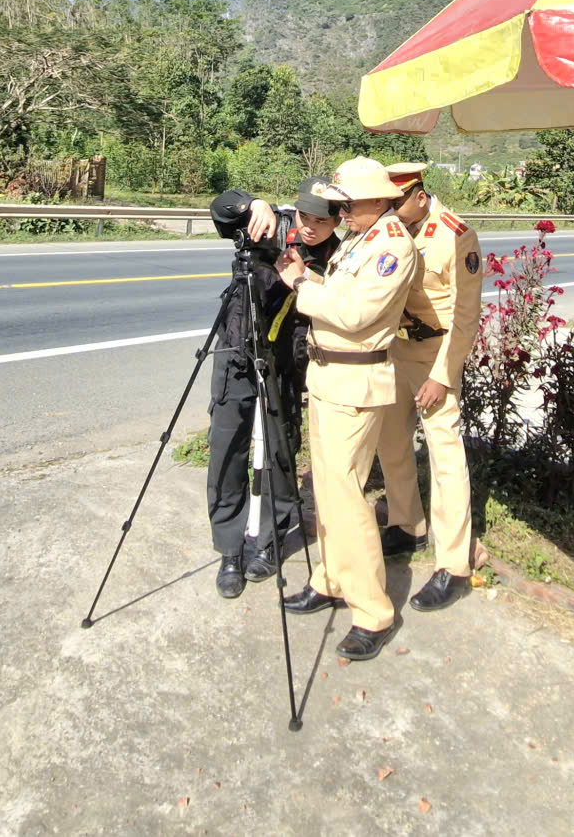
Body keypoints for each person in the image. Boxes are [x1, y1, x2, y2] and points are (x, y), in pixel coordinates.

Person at [274, 156, 417, 661]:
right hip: (329, 376)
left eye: (348, 205)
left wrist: (300, 284)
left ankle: (372, 609)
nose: (342, 213)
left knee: (348, 497)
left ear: (378, 200)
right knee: (329, 492)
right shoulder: (362, 237)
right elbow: (336, 292)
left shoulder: (391, 246)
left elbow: (354, 313)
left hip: (354, 381)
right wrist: (308, 281)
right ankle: (331, 578)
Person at [205, 178, 341, 599]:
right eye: (305, 217)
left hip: (284, 359)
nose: (311, 227)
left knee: (280, 453)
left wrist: (306, 277)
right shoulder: (271, 224)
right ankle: (230, 550)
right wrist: (252, 203)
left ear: (337, 221)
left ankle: (269, 540)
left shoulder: (340, 255)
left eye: (322, 221)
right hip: (238, 349)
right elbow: (221, 209)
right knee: (227, 447)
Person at [375, 162, 482, 610]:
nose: (390, 210)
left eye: (396, 202)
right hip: (396, 349)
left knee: (445, 455)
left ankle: (454, 566)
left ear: (420, 196)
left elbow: (466, 316)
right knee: (390, 441)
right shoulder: (391, 228)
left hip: (436, 355)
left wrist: (442, 375)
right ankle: (407, 526)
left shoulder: (456, 235)